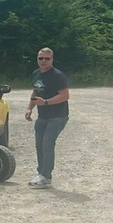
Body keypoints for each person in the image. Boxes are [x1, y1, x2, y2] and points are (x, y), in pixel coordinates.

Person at [25, 47, 70, 188]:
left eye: (47, 58)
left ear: (52, 59)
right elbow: (35, 91)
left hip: (58, 116)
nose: (43, 61)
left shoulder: (58, 75)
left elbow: (65, 95)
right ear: (37, 59)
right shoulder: (36, 74)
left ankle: (46, 176)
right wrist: (30, 108)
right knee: (39, 145)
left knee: (47, 144)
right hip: (42, 116)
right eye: (41, 58)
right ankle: (41, 174)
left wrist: (46, 102)